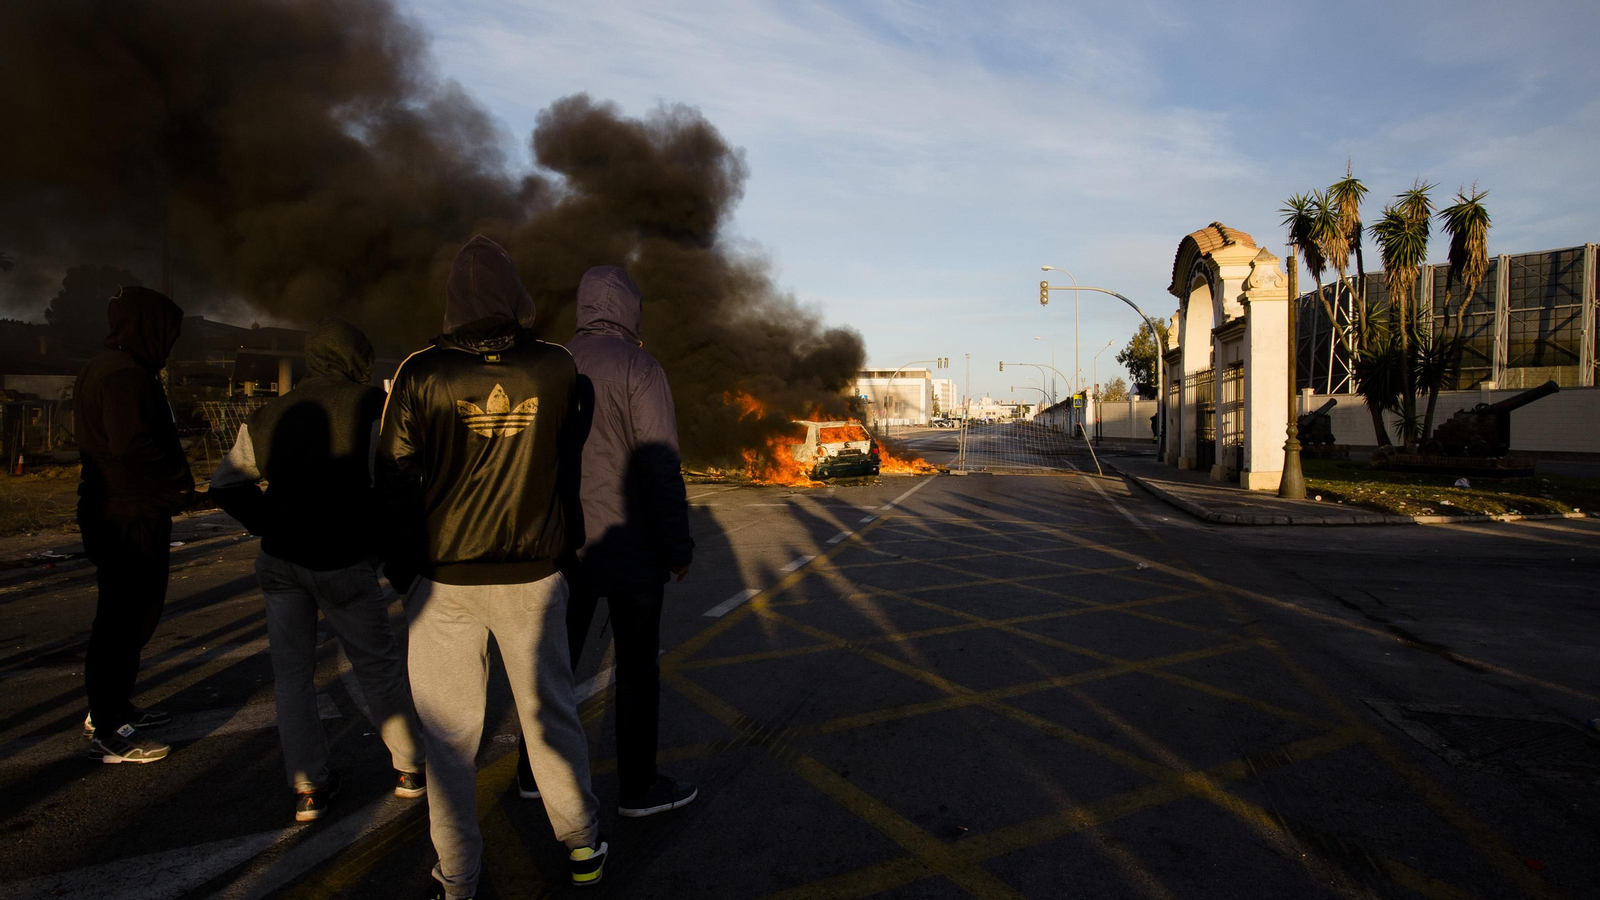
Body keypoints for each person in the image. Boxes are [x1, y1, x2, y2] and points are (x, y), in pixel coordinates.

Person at [376, 236, 605, 897]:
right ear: (516, 294)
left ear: (453, 298)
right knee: (550, 715)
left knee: (448, 738)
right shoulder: (557, 366)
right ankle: (582, 845)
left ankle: (457, 876)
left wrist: (406, 571)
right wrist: (565, 549)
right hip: (534, 574)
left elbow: (392, 479)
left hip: (443, 579)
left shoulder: (420, 371)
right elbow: (567, 464)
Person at [210, 317, 427, 822]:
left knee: (291, 677)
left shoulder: (268, 414)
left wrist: (273, 522)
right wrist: (383, 547)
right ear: (356, 358)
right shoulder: (372, 405)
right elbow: (391, 485)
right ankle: (410, 768)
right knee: (376, 666)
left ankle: (309, 786)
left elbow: (225, 485)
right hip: (343, 561)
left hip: (280, 562)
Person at [515, 266, 695, 817]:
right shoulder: (639, 366)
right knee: (637, 669)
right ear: (630, 309)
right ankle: (638, 789)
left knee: (554, 665)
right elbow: (660, 466)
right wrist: (677, 548)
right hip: (631, 548)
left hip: (561, 546)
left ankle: (532, 773)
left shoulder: (550, 364)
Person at [75, 286, 193, 764]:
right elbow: (133, 446)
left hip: (116, 508)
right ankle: (109, 729)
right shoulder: (126, 375)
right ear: (148, 327)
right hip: (129, 514)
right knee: (125, 621)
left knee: (124, 618)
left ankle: (114, 707)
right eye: (168, 334)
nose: (169, 345)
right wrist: (178, 486)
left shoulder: (104, 366)